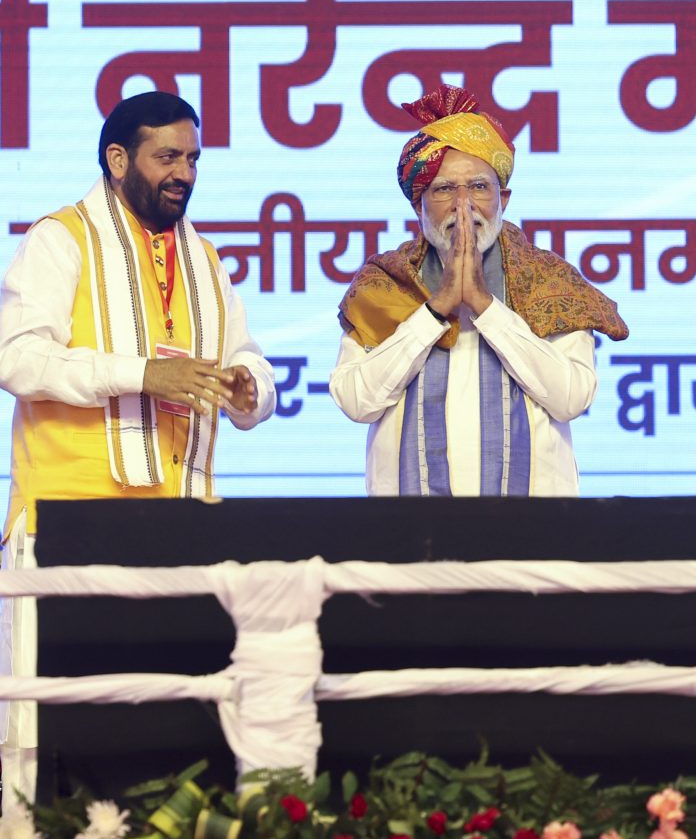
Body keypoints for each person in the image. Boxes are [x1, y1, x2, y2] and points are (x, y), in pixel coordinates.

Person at [0, 91, 276, 808]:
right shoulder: (61, 239)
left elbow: (246, 354)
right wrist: (142, 374)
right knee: (54, 727)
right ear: (118, 159)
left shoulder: (204, 258)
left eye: (193, 159)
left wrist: (250, 387)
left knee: (171, 726)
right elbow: (16, 357)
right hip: (69, 525)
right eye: (167, 157)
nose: (184, 172)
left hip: (181, 527)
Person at [330, 84, 628, 496]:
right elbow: (355, 400)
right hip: (408, 528)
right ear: (418, 205)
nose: (463, 205)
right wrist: (435, 311)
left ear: (503, 199)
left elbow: (572, 398)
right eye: (444, 189)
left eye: (479, 187)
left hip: (533, 527)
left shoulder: (550, 280)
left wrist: (486, 308)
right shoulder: (384, 284)